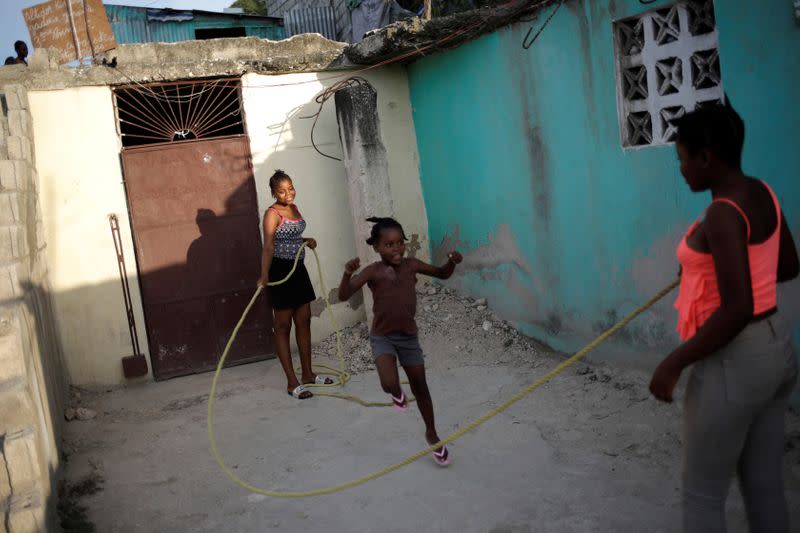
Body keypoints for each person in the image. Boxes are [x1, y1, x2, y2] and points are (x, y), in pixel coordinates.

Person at [648, 102, 799, 533]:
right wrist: (712, 269)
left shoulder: (721, 213)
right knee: (765, 486)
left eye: (682, 160)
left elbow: (737, 309)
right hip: (777, 348)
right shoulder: (761, 192)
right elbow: (787, 266)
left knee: (702, 495)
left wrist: (673, 363)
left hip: (737, 360)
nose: (681, 171)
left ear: (706, 157)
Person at [338, 217, 463, 466]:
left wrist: (452, 262)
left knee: (421, 388)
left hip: (408, 338)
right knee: (388, 383)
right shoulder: (373, 271)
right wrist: (347, 273)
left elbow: (442, 274)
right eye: (388, 245)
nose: (395, 249)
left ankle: (432, 434)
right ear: (376, 247)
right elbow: (344, 294)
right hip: (383, 337)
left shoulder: (411, 265)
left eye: (399, 243)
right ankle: (397, 393)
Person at [257, 170, 332, 400]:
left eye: (290, 188)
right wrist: (264, 275)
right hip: (280, 271)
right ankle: (292, 382)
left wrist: (306, 240)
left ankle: (308, 373)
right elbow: (269, 246)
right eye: (282, 190)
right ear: (273, 193)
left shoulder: (294, 208)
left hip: (298, 270)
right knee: (282, 325)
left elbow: (290, 237)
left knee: (304, 319)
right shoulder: (271, 213)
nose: (288, 193)